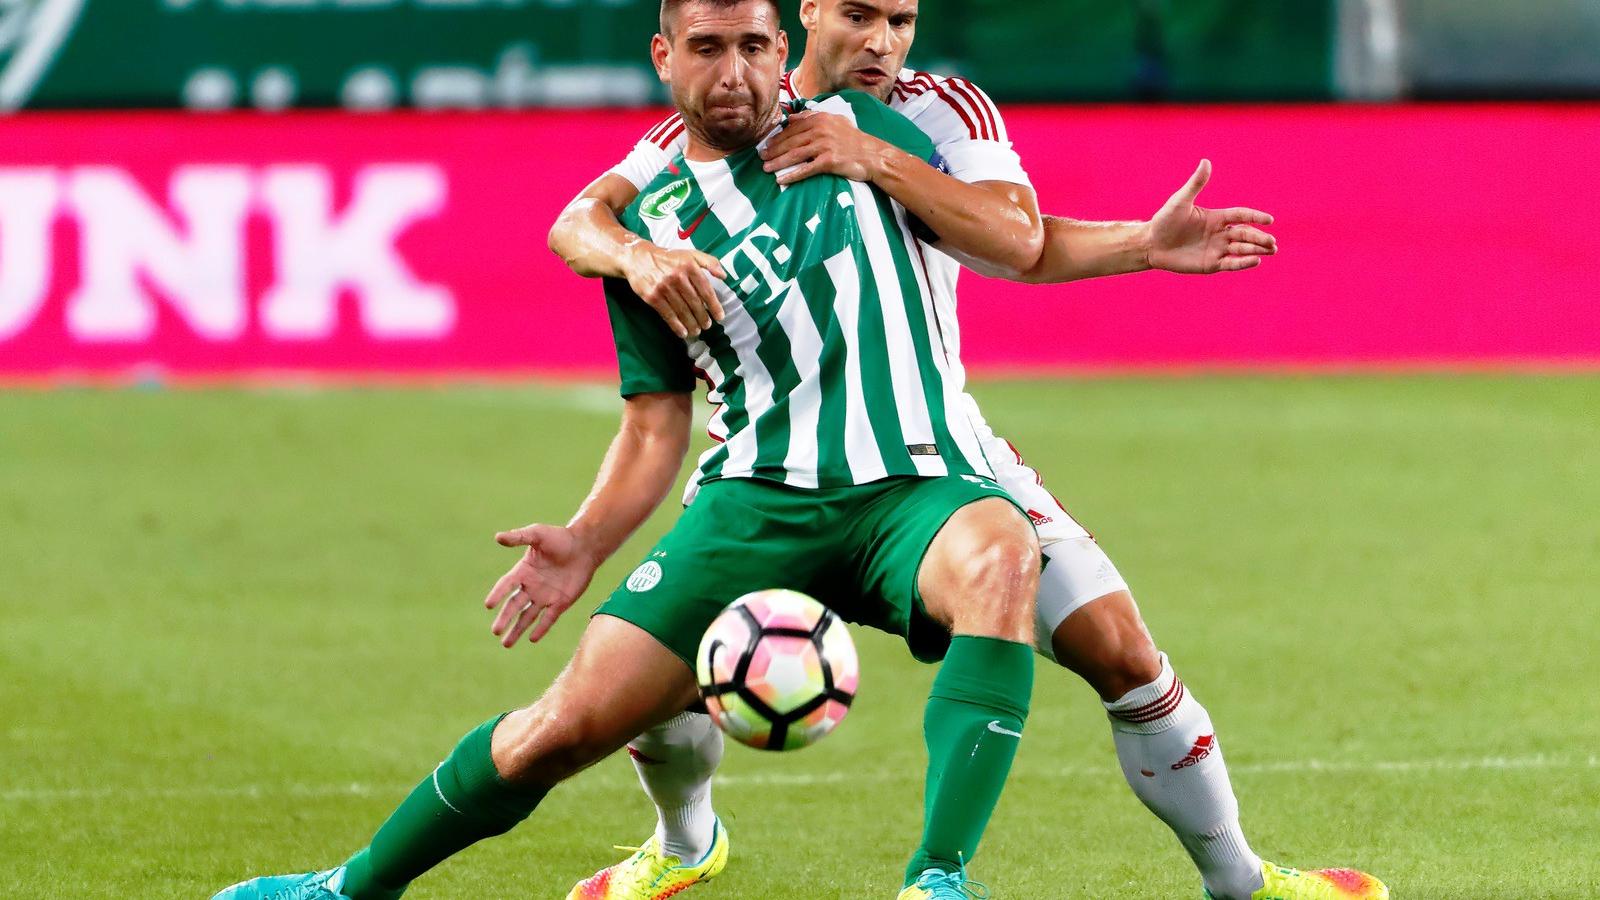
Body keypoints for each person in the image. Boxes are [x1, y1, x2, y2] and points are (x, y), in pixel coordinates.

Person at [551, 2, 1388, 899]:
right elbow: (579, 220)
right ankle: (683, 844)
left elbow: (1017, 240)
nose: (882, 42)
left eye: (903, 19)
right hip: (771, 463)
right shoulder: (731, 105)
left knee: (1123, 653)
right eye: (859, 14)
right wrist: (634, 253)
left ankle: (1241, 882)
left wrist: (1137, 242)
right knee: (673, 662)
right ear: (809, 15)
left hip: (934, 447)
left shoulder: (945, 110)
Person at [212, 2, 1045, 898]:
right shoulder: (650, 224)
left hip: (910, 484)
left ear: (782, 52)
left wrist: (1139, 244)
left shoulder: (857, 127)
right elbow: (655, 426)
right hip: (753, 506)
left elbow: (1018, 236)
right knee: (557, 731)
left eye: (755, 48)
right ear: (663, 56)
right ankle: (348, 888)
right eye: (708, 49)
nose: (736, 73)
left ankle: (938, 879)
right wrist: (585, 538)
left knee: (1002, 556)